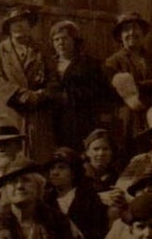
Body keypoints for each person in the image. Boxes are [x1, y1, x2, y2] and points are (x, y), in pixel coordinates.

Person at [103, 10, 152, 154]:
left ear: (143, 33)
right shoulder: (113, 63)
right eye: (126, 30)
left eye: (135, 28)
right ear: (120, 36)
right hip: (127, 119)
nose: (131, 33)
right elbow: (126, 90)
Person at [0, 4, 57, 161]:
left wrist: (42, 95)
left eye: (23, 21)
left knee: (38, 156)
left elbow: (53, 79)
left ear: (30, 24)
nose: (19, 25)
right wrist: (22, 94)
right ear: (9, 27)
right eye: (14, 22)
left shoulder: (41, 49)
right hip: (10, 110)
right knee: (9, 156)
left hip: (36, 111)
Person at [48, 19, 115, 153]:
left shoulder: (89, 64)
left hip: (82, 117)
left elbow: (101, 92)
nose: (61, 43)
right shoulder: (48, 64)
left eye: (65, 38)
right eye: (56, 39)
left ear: (75, 40)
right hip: (56, 119)